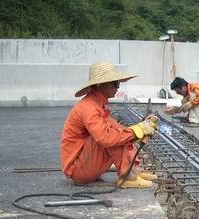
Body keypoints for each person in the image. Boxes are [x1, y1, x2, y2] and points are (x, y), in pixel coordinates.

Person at [60, 61, 158, 189]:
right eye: (115, 83)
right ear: (100, 84)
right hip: (78, 170)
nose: (118, 87)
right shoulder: (88, 107)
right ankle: (128, 176)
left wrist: (141, 129)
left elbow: (121, 130)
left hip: (84, 165)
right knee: (113, 136)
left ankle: (134, 170)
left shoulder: (96, 105)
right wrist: (137, 130)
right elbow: (106, 138)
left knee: (121, 131)